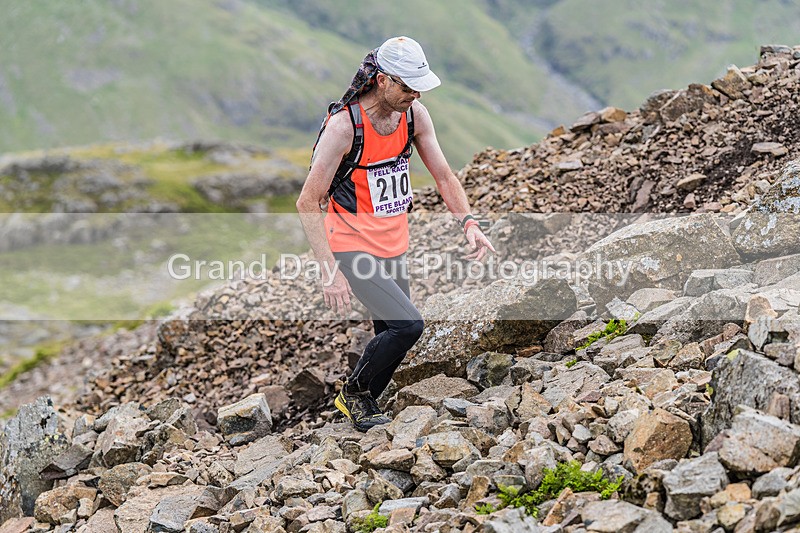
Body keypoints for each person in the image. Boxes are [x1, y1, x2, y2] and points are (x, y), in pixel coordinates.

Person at [296, 36, 495, 432]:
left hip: (393, 241)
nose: (415, 94)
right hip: (351, 244)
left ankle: (361, 408)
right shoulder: (344, 127)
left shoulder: (414, 116)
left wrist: (469, 223)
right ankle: (354, 394)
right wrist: (328, 270)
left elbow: (443, 175)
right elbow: (308, 201)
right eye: (406, 86)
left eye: (418, 86)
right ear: (383, 80)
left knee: (391, 333)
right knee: (409, 326)